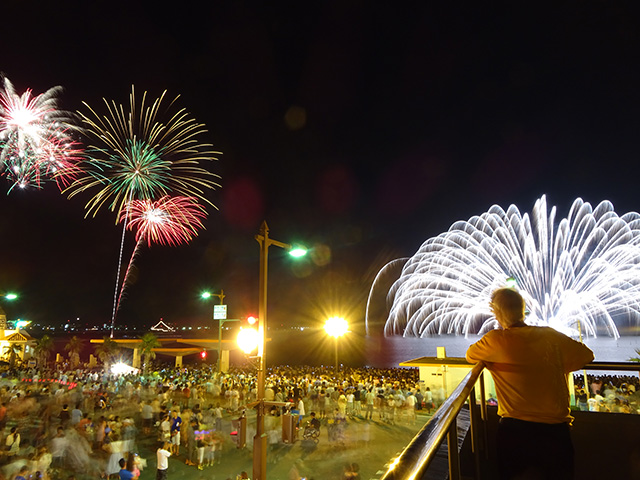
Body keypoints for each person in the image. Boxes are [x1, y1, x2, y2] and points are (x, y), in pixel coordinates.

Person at [466, 287, 594, 480]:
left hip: (514, 432)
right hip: (556, 432)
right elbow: (587, 355)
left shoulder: (496, 341)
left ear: (495, 312)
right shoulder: (551, 337)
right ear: (522, 310)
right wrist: (556, 364)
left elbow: (470, 355)